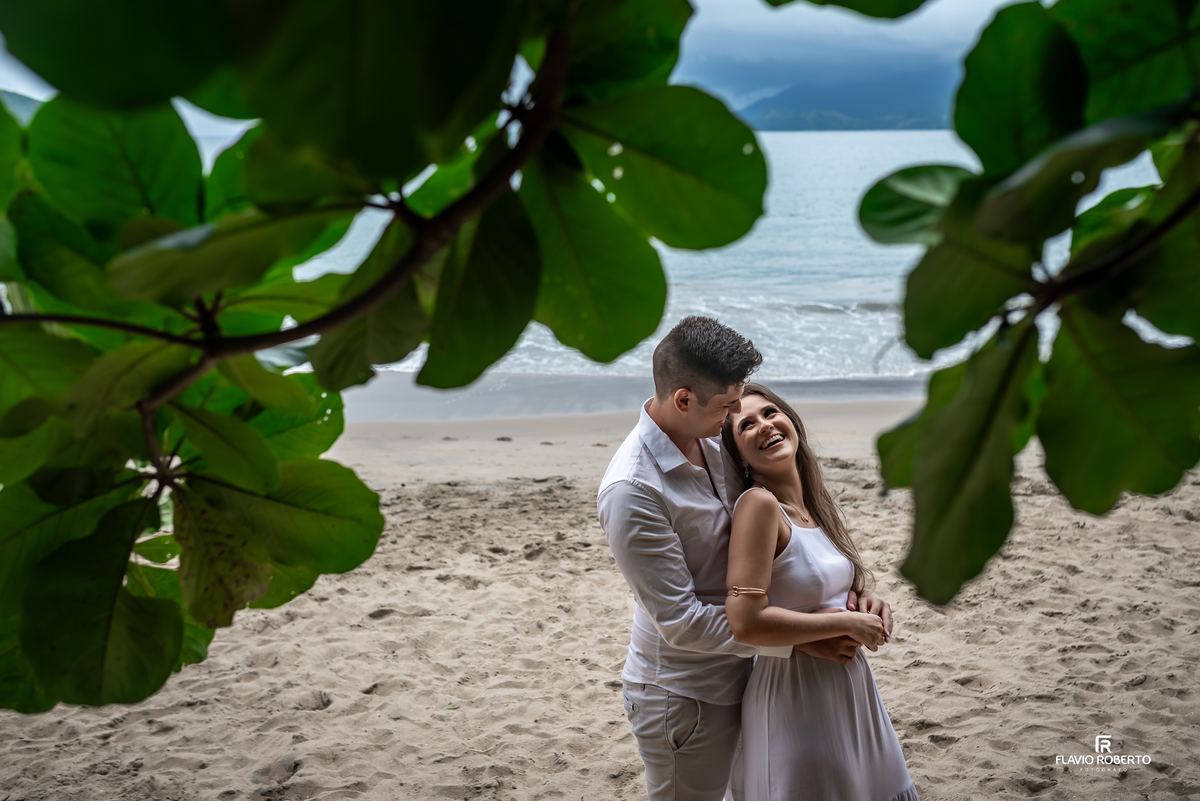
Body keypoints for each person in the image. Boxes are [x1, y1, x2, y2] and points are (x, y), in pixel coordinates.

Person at [597, 317, 893, 801]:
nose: (738, 413)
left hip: (754, 678)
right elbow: (682, 622)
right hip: (687, 694)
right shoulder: (633, 491)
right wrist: (797, 641)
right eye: (728, 404)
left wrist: (846, 594)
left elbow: (785, 545)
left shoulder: (713, 434)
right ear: (684, 400)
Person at [722, 382, 918, 801]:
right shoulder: (759, 506)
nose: (764, 426)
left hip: (850, 691)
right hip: (795, 699)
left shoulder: (814, 507)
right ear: (738, 456)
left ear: (791, 421)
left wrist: (866, 600)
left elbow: (821, 589)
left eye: (771, 413)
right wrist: (844, 622)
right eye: (746, 426)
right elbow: (745, 621)